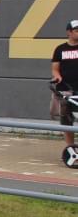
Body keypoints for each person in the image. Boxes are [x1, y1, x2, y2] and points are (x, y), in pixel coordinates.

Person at [50, 19, 78, 150]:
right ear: (69, 32)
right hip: (65, 90)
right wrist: (57, 76)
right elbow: (55, 69)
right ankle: (71, 149)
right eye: (77, 30)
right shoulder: (60, 49)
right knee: (66, 121)